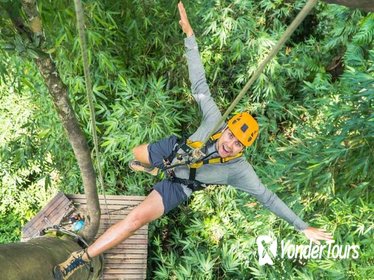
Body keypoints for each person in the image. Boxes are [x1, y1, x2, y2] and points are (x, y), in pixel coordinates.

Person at [53, 2, 333, 279]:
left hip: (181, 185)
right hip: (173, 152)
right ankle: (153, 166)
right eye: (231, 136)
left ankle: (81, 258)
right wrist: (190, 37)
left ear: (244, 150)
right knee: (135, 153)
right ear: (226, 127)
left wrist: (301, 226)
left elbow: (268, 198)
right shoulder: (214, 119)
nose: (230, 144)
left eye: (238, 145)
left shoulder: (239, 171)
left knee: (135, 220)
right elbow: (199, 84)